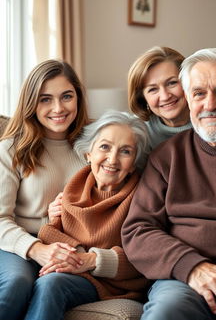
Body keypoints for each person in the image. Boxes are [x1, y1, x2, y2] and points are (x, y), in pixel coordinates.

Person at [122, 48, 216, 320]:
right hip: (184, 281)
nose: (209, 104)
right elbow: (137, 229)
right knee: (166, 313)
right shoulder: (164, 155)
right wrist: (193, 268)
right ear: (188, 98)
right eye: (198, 93)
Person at [22, 110, 150, 320]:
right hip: (75, 273)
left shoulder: (143, 196)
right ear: (89, 153)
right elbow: (50, 231)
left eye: (125, 151)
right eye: (104, 147)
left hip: (115, 285)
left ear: (134, 162)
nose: (112, 159)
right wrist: (76, 254)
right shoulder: (76, 186)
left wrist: (89, 260)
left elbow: (144, 257)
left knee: (51, 283)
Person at [0, 59, 90, 320]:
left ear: (78, 98)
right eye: (45, 99)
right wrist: (38, 248)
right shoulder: (11, 149)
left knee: (50, 284)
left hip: (71, 245)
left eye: (66, 97)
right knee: (17, 281)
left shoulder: (95, 143)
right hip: (15, 244)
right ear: (31, 103)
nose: (58, 108)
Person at [128, 46, 216, 149]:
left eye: (172, 83)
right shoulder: (139, 133)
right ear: (143, 98)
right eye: (153, 89)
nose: (165, 96)